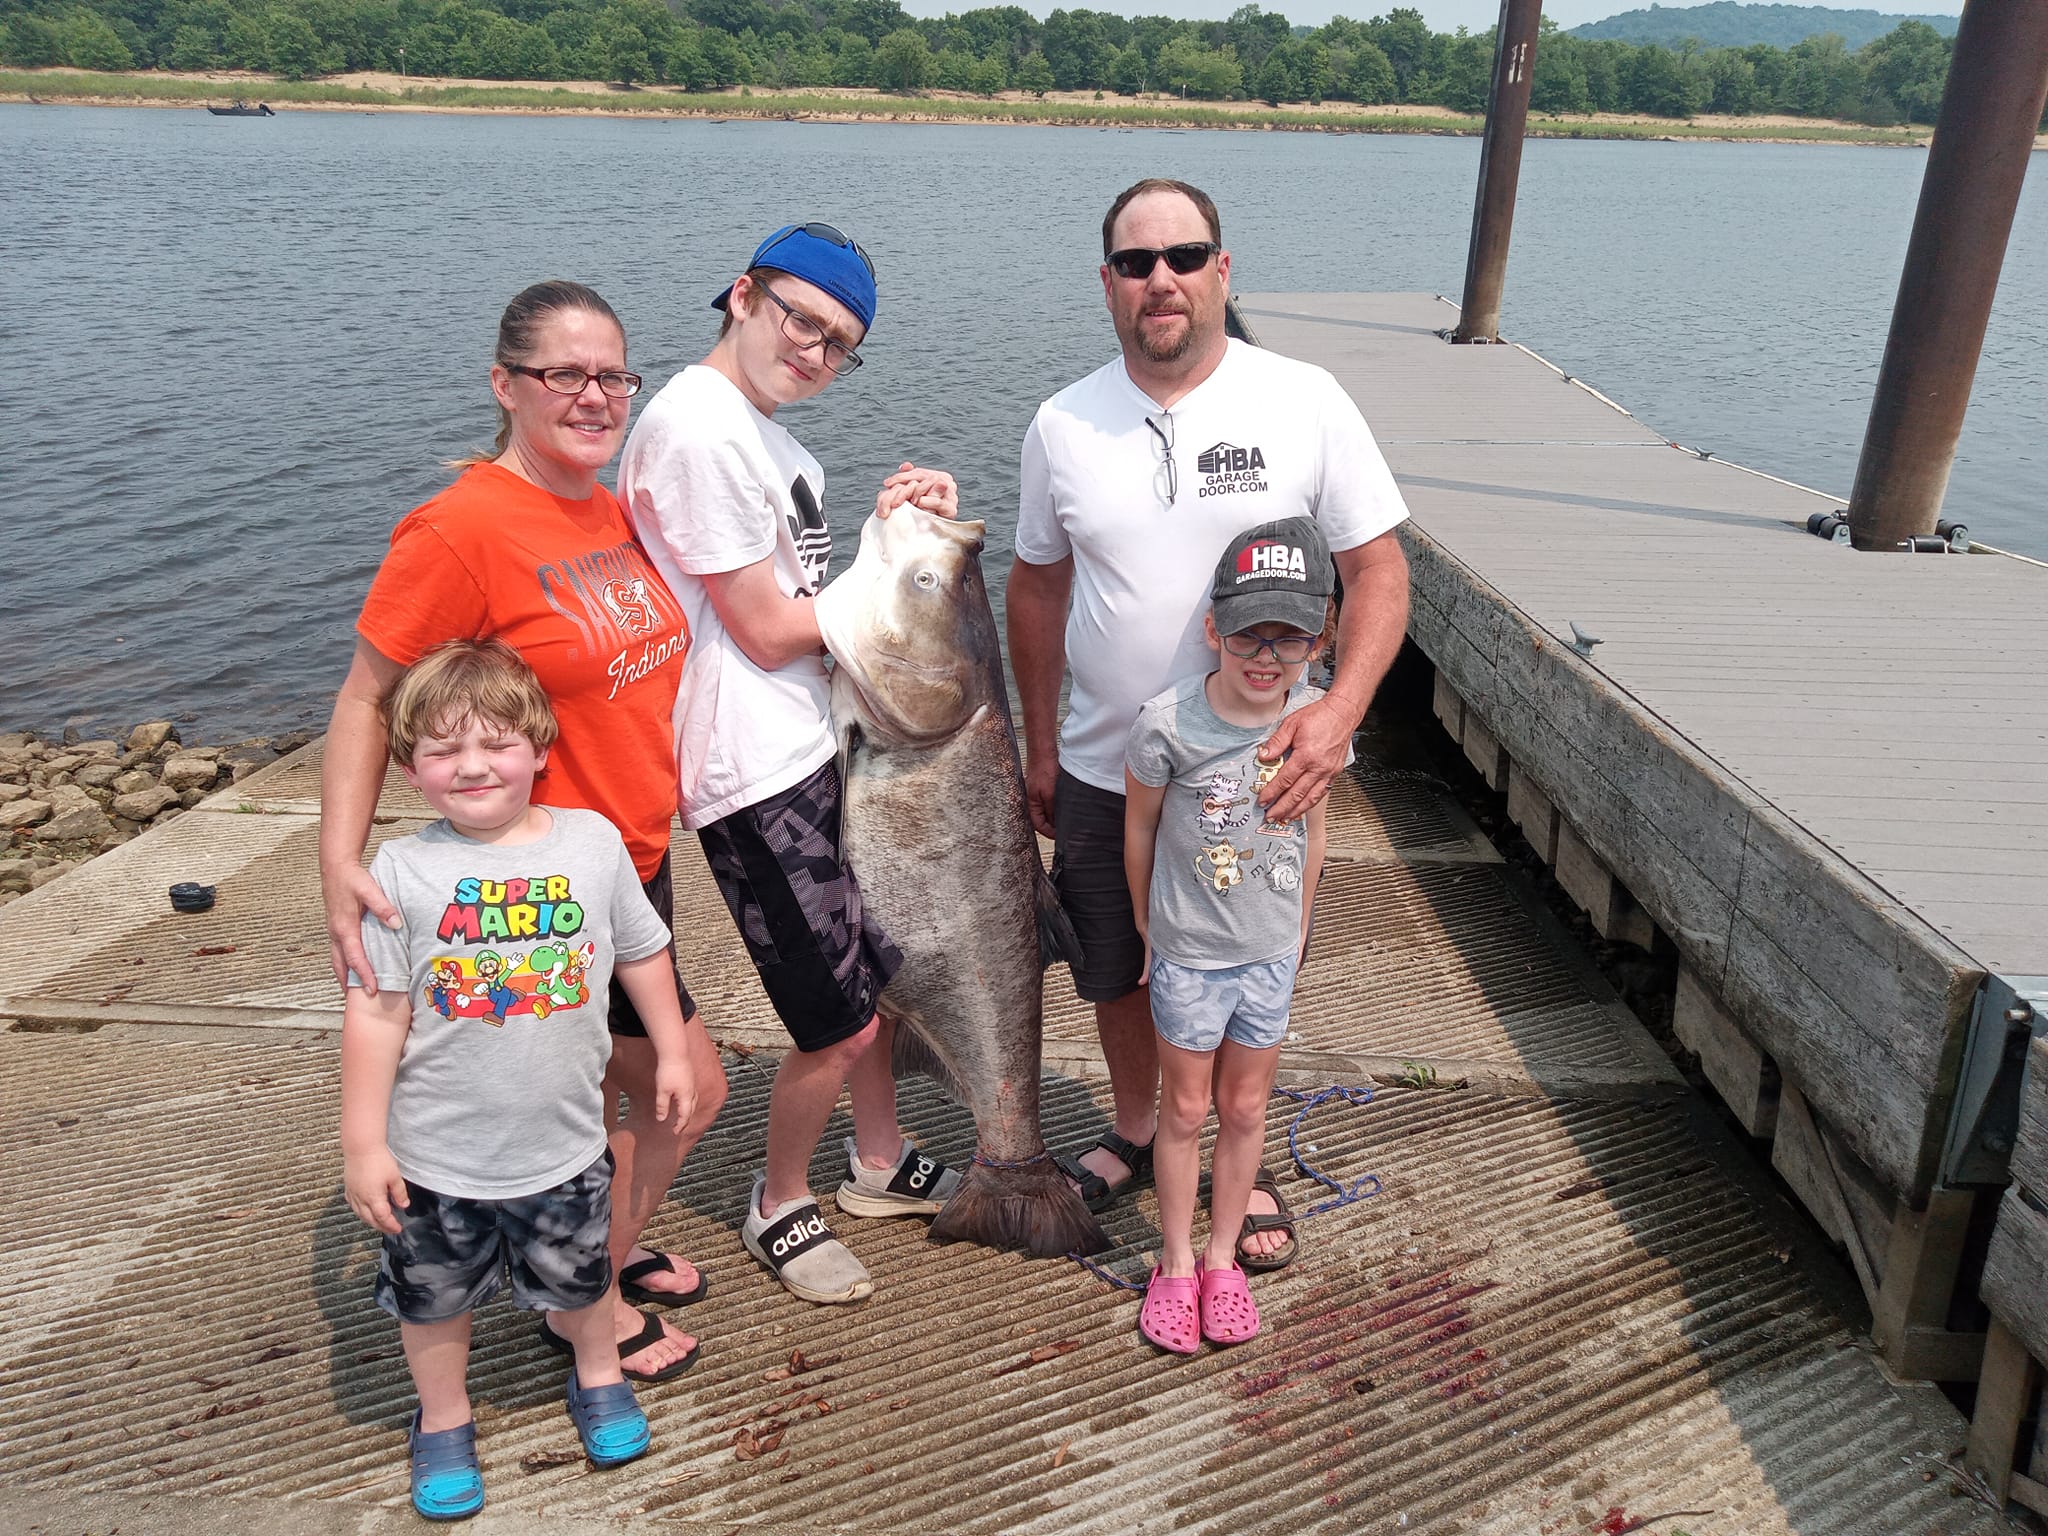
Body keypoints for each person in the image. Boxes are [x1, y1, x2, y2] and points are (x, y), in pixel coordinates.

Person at [321, 280, 725, 1384]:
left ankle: (586, 1245)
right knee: (691, 1090)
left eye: (613, 376)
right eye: (565, 375)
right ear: (505, 385)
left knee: (598, 1093)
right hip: (537, 887)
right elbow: (366, 697)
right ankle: (583, 1295)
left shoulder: (607, 506)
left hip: (626, 861)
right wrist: (338, 860)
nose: (595, 397)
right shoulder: (460, 530)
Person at [1008, 178, 1412, 1264]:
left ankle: (1242, 1148)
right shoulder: (1062, 422)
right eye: (1135, 263)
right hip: (1107, 763)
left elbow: (1379, 571)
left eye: (1183, 257)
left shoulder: (1304, 399)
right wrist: (1038, 745)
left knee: (1242, 972)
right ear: (1106, 284)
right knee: (1115, 962)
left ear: (1221, 271)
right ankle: (1141, 1127)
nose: (1161, 280)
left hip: (1260, 770)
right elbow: (1036, 584)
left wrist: (1338, 711)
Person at [619, 222, 961, 1306]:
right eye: (798, 319)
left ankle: (877, 1158)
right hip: (749, 771)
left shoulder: (773, 445)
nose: (811, 351)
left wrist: (893, 537)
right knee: (835, 1018)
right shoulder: (699, 428)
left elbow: (798, 596)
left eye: (837, 343)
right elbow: (768, 632)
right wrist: (902, 590)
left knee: (876, 973)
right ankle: (779, 1199)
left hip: (814, 742)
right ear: (741, 295)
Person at [340, 640, 699, 1516]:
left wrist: (673, 1049)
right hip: (435, 1160)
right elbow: (376, 1013)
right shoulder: (400, 871)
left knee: (585, 1278)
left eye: (496, 743)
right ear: (410, 769)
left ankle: (599, 1372)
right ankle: (443, 1417)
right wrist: (363, 1143)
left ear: (540, 749)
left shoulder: (593, 842)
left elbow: (643, 952)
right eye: (443, 750)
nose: (472, 766)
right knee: (433, 1304)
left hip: (566, 1146)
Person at [1124, 519, 1341, 1352]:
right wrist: (1147, 924)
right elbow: (1139, 829)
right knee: (1184, 1108)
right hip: (1190, 956)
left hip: (1270, 954)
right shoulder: (1167, 724)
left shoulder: (1319, 718)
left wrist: (1301, 928)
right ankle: (1176, 1261)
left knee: (1245, 1107)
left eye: (1291, 640)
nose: (1267, 657)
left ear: (1318, 643)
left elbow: (1315, 831)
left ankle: (1223, 1257)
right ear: (1213, 629)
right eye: (1248, 635)